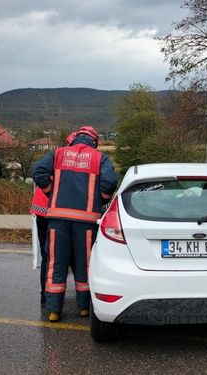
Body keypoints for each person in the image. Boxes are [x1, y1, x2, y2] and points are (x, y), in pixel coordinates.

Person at [33, 125, 117, 322]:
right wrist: (102, 199)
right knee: (85, 264)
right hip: (86, 221)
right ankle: (83, 309)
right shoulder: (99, 158)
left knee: (56, 264)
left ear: (75, 138)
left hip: (57, 219)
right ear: (94, 141)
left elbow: (38, 171)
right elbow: (110, 182)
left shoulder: (58, 153)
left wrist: (50, 191)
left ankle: (54, 311)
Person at [30, 186, 49, 307]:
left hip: (42, 208)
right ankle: (83, 300)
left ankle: (45, 296)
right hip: (56, 209)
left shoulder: (43, 167)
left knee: (46, 255)